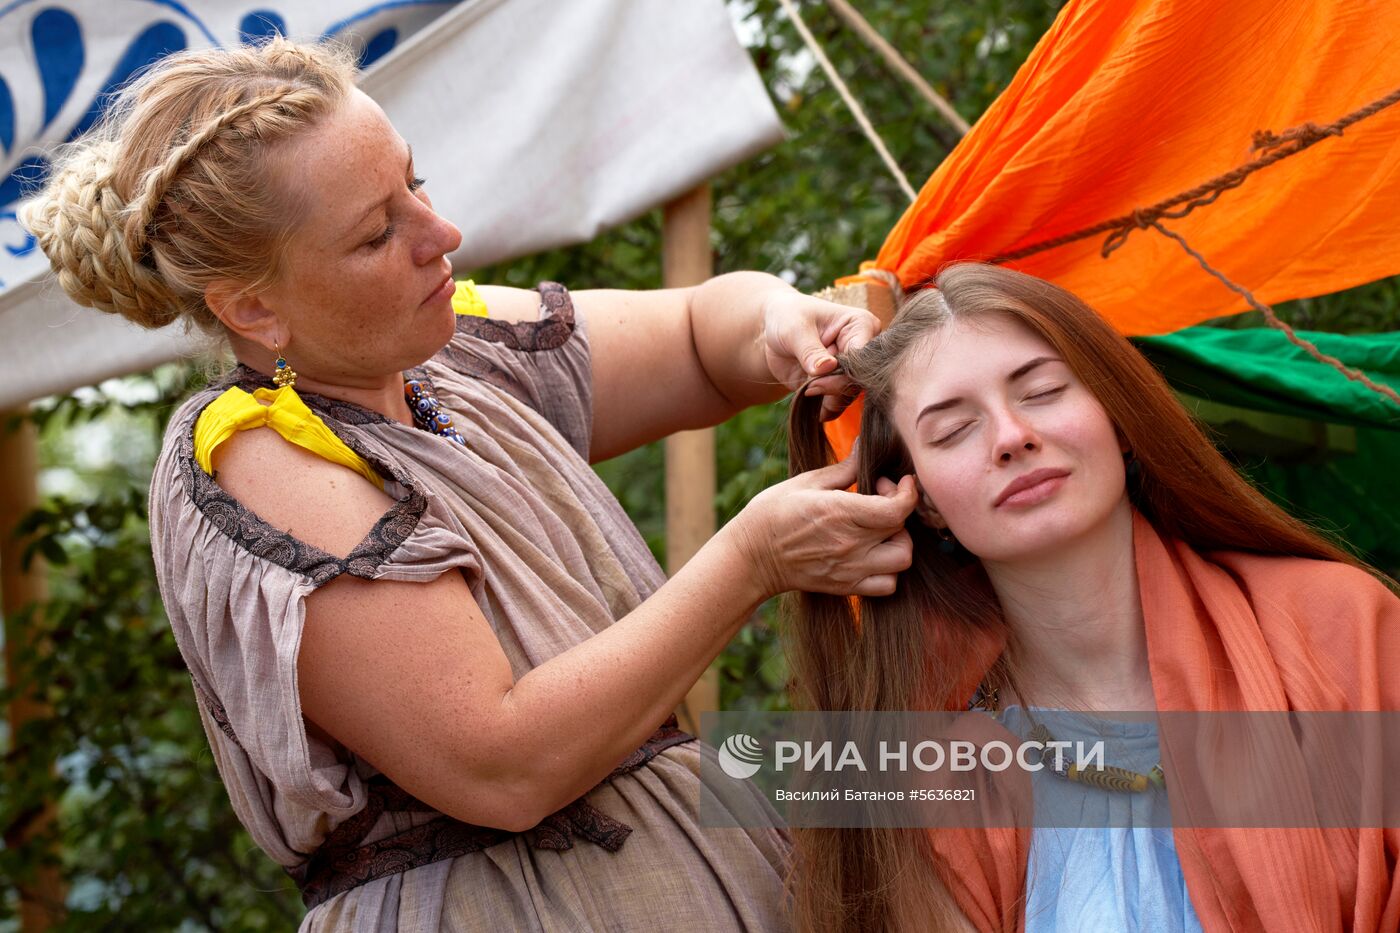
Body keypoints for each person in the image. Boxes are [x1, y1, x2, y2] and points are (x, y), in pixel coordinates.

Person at [18, 38, 922, 931]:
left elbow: (695, 338)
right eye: (378, 232)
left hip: (702, 862)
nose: (439, 234)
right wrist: (752, 559)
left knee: (1023, 776)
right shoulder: (248, 454)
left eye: (416, 184)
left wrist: (773, 320)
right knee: (1022, 776)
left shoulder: (451, 345)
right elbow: (504, 766)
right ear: (251, 307)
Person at [783, 262, 1400, 933]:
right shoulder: (914, 771)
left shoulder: (1343, 629)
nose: (1012, 436)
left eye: (1043, 391)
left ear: (1119, 416)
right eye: (953, 429)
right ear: (919, 497)